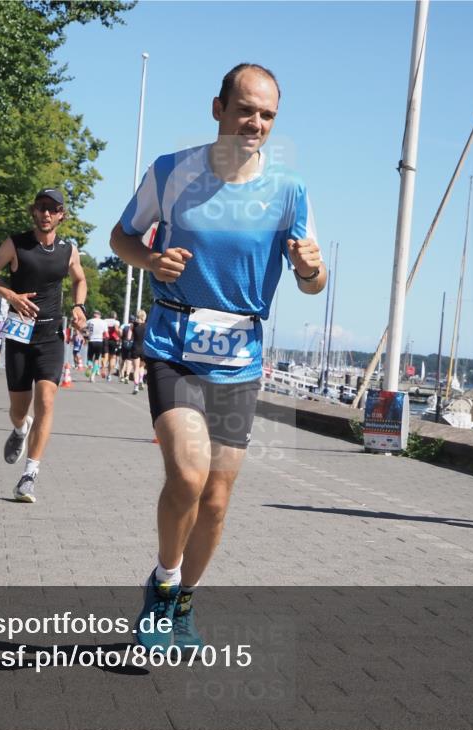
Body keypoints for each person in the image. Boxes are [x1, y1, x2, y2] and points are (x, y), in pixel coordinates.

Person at [109, 63, 325, 651]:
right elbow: (121, 238)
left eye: (267, 115)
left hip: (240, 356)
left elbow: (312, 280)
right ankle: (163, 583)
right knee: (187, 472)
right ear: (218, 109)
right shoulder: (170, 171)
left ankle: (182, 606)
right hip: (172, 344)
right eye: (246, 110)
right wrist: (149, 262)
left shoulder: (289, 190)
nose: (256, 123)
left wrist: (310, 269)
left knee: (218, 499)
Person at [0, 188, 88, 503]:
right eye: (41, 208)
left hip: (51, 336)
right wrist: (11, 296)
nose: (46, 214)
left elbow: (79, 280)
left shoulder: (69, 250)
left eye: (52, 209)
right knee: (18, 409)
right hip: (19, 334)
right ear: (34, 211)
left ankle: (29, 474)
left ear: (61, 216)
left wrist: (79, 306)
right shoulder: (15, 244)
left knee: (46, 399)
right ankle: (19, 429)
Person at [84, 310, 107, 382]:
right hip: (99, 341)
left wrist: (85, 336)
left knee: (90, 358)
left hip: (91, 341)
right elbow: (106, 334)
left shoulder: (89, 321)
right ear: (99, 315)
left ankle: (90, 365)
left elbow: (84, 329)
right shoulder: (103, 322)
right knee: (97, 359)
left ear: (94, 315)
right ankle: (93, 376)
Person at [130, 309, 147, 394]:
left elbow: (129, 337)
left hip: (135, 347)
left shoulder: (133, 325)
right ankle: (141, 380)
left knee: (136, 368)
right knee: (142, 367)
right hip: (144, 349)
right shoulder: (147, 326)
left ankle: (136, 386)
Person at [101, 310, 121, 381]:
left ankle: (103, 368)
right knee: (112, 357)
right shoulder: (116, 322)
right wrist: (120, 335)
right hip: (113, 340)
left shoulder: (104, 321)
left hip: (105, 339)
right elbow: (116, 330)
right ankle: (109, 374)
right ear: (115, 316)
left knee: (105, 356)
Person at [119, 317, 136, 384]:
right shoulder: (135, 326)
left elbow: (120, 333)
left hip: (124, 344)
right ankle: (127, 376)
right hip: (132, 345)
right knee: (129, 361)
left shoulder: (123, 326)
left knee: (123, 360)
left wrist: (121, 338)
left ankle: (122, 375)